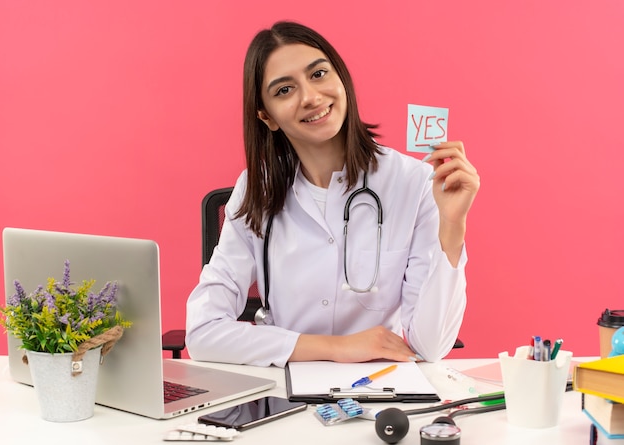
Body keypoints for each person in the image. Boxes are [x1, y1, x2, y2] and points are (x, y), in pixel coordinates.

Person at [186, 21, 480, 367]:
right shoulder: (256, 189)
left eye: (319, 74)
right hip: (286, 390)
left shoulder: (414, 183)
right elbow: (202, 333)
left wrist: (453, 225)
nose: (311, 97)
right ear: (267, 117)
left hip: (379, 387)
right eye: (284, 90)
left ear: (341, 78)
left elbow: (431, 347)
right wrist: (337, 349)